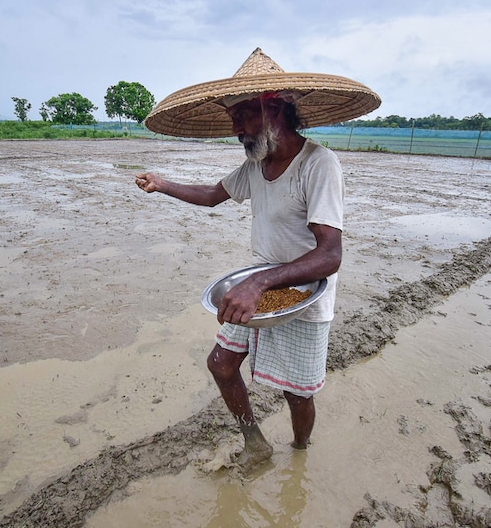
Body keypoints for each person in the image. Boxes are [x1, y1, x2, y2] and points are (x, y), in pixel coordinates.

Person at [136, 48, 381, 472]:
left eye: (242, 114)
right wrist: (162, 185)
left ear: (273, 107)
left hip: (304, 296)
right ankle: (256, 443)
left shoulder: (318, 165)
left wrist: (261, 282)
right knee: (221, 365)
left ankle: (300, 452)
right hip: (259, 289)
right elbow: (212, 196)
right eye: (233, 117)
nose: (235, 128)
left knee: (296, 393)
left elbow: (329, 255)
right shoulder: (255, 165)